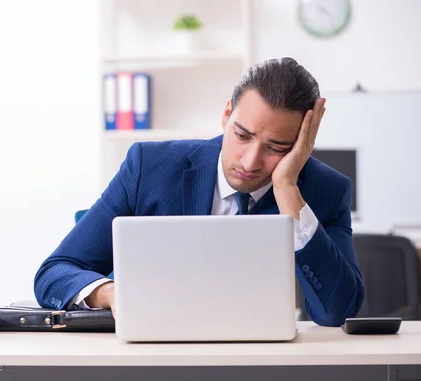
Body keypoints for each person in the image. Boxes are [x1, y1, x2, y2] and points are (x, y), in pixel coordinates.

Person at [33, 57, 364, 327]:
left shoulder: (325, 191)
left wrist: (287, 187)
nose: (250, 162)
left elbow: (337, 311)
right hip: (153, 356)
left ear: (301, 146)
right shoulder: (149, 166)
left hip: (262, 366)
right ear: (225, 115)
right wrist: (113, 294)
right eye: (243, 136)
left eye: (276, 148)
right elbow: (55, 272)